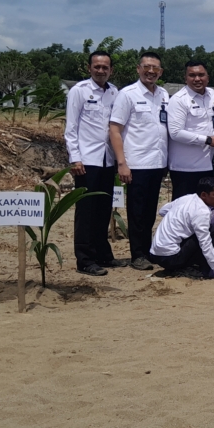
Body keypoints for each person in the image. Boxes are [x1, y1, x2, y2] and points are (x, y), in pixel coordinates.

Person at [108, 52, 170, 271]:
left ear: (160, 72)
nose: (150, 72)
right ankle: (138, 255)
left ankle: (147, 250)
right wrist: (122, 163)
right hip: (137, 164)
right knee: (137, 212)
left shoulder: (164, 94)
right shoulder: (127, 95)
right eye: (147, 67)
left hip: (158, 163)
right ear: (138, 69)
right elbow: (115, 129)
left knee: (150, 211)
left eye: (155, 68)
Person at [65, 50, 123, 276]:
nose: (101, 70)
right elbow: (71, 128)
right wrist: (75, 158)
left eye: (105, 67)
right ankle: (85, 259)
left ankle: (103, 255)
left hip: (107, 160)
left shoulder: (114, 92)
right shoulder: (79, 91)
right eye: (97, 67)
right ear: (89, 68)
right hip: (86, 160)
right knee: (86, 212)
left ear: (111, 70)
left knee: (103, 209)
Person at [148, 176, 214, 281]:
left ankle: (178, 264)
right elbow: (206, 246)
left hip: (155, 254)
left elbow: (162, 211)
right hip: (171, 258)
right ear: (204, 195)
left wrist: (178, 219)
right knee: (213, 231)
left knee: (202, 231)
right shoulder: (201, 212)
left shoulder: (187, 198)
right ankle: (185, 267)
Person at [167, 60, 214, 200]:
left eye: (201, 75)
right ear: (185, 78)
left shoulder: (212, 94)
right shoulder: (179, 99)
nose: (197, 79)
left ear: (208, 77)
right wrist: (207, 140)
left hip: (207, 165)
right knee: (185, 208)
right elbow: (175, 132)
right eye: (192, 75)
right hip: (186, 168)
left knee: (205, 207)